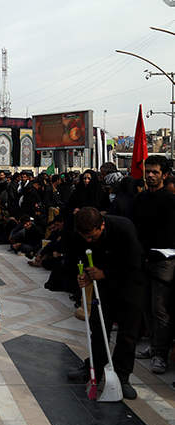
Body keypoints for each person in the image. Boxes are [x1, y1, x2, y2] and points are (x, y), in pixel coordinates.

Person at [66, 207, 143, 399]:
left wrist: (105, 273)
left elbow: (134, 263)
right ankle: (94, 368)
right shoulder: (81, 233)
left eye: (92, 236)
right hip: (104, 287)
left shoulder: (124, 228)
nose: (88, 241)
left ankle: (122, 376)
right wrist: (84, 275)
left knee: (128, 334)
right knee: (98, 328)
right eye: (85, 237)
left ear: (101, 225)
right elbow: (78, 256)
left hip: (130, 285)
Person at [131, 155, 175, 374]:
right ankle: (153, 345)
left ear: (164, 175)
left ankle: (160, 354)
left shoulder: (170, 200)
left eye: (155, 172)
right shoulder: (140, 199)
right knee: (146, 306)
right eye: (147, 171)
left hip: (163, 261)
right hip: (143, 259)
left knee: (160, 309)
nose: (150, 175)